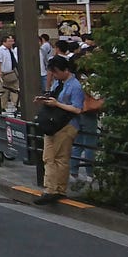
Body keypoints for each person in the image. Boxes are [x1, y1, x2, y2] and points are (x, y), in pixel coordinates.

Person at [33, 56, 85, 205]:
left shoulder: (75, 86)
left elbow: (77, 108)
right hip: (57, 124)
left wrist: (57, 104)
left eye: (55, 72)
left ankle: (51, 190)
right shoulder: (59, 83)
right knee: (58, 158)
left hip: (66, 125)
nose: (54, 75)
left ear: (65, 70)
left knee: (52, 157)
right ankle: (58, 189)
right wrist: (45, 100)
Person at [0, 34, 20, 112]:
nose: (11, 43)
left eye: (12, 41)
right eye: (9, 41)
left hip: (13, 73)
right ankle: (3, 106)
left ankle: (17, 104)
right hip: (3, 73)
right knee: (3, 91)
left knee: (15, 90)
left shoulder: (12, 50)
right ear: (4, 42)